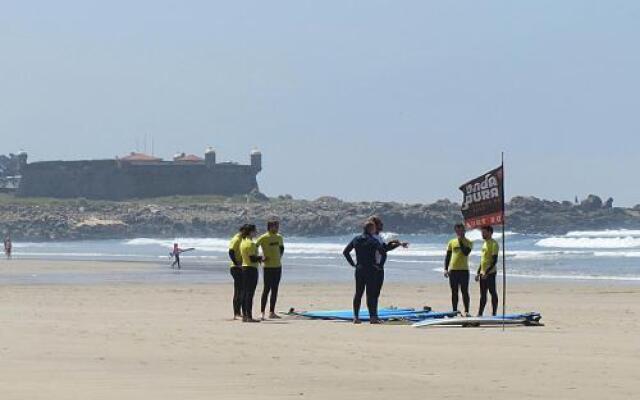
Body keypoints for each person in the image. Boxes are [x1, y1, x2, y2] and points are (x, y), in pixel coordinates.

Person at [342, 220, 387, 324]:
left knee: (358, 293)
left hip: (360, 269)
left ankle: (356, 317)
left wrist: (353, 264)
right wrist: (380, 265)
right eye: (374, 228)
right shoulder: (373, 240)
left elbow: (345, 252)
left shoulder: (356, 239)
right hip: (371, 269)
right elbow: (383, 253)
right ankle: (373, 318)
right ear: (371, 229)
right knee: (370, 294)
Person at [367, 216, 409, 316]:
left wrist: (397, 243)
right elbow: (384, 249)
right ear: (375, 225)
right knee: (371, 293)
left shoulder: (379, 237)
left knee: (376, 293)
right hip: (373, 267)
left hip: (379, 267)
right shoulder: (371, 237)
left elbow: (385, 247)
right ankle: (373, 316)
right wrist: (395, 244)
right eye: (380, 224)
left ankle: (374, 314)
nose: (382, 225)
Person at [256, 219, 285, 320]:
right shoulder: (263, 237)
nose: (277, 228)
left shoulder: (279, 237)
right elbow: (254, 247)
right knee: (266, 289)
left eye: (278, 226)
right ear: (269, 227)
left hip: (278, 267)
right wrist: (260, 257)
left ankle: (272, 312)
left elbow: (282, 248)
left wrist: (279, 256)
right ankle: (262, 312)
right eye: (275, 226)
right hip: (268, 267)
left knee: (275, 289)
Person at [444, 223, 473, 317]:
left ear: (464, 230)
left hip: (464, 270)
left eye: (461, 230)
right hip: (453, 271)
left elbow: (466, 253)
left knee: (465, 291)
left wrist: (460, 241)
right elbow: (448, 256)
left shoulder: (468, 242)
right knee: (454, 292)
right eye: (457, 231)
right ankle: (454, 311)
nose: (459, 232)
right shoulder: (451, 242)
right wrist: (445, 269)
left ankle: (466, 311)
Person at [239, 224, 263, 323]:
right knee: (250, 294)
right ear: (251, 232)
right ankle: (249, 316)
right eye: (255, 231)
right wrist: (261, 258)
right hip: (251, 269)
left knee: (245, 293)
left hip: (244, 268)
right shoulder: (251, 244)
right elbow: (252, 258)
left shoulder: (242, 242)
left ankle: (244, 315)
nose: (256, 232)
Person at [475, 225, 499, 316]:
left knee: (492, 292)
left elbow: (494, 260)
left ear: (490, 232)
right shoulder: (484, 243)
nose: (482, 234)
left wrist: (487, 272)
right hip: (482, 273)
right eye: (482, 232)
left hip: (490, 273)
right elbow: (483, 260)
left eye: (484, 232)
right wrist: (478, 272)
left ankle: (494, 313)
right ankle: (480, 314)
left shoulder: (494, 244)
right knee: (483, 295)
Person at [228, 225, 247, 320]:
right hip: (236, 268)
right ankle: (236, 313)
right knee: (238, 291)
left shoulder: (243, 239)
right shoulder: (236, 239)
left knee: (242, 291)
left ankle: (240, 313)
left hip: (242, 268)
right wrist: (237, 264)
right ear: (242, 230)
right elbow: (231, 252)